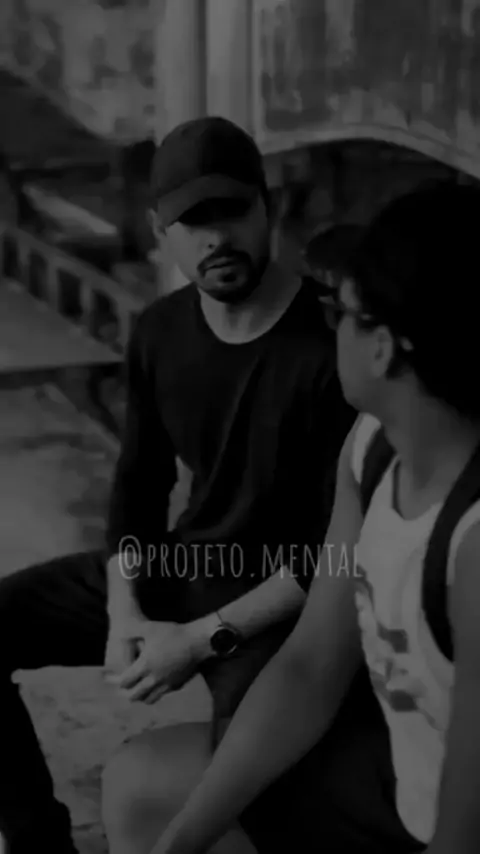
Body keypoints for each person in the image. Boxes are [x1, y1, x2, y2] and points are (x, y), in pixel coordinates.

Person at [0, 116, 354, 854]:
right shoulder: (161, 330)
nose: (216, 238)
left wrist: (197, 641)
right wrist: (125, 609)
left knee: (257, 780)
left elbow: (331, 555)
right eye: (194, 222)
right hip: (183, 565)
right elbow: (138, 484)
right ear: (164, 234)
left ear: (268, 210)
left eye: (232, 212)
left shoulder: (331, 349)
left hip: (282, 603)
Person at [103, 180, 480, 854]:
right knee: (141, 787)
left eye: (339, 313)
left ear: (383, 346)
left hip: (449, 819)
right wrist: (179, 845)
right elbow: (309, 666)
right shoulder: (372, 448)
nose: (326, 329)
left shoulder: (471, 546)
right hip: (396, 772)